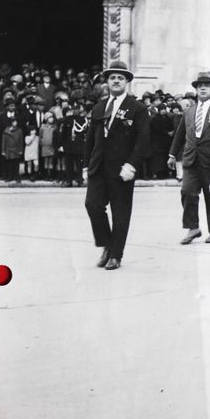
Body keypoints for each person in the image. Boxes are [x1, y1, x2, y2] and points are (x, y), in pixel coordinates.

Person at [84, 60, 151, 271]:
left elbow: (143, 140)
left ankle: (115, 254)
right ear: (107, 81)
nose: (116, 81)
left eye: (120, 78)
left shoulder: (137, 108)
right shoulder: (99, 107)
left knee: (120, 213)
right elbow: (90, 139)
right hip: (98, 167)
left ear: (126, 82)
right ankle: (106, 243)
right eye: (112, 77)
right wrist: (86, 166)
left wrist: (132, 165)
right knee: (92, 205)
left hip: (122, 169)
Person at [168, 71, 210, 244]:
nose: (203, 88)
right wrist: (172, 154)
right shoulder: (189, 111)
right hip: (191, 159)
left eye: (207, 86)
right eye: (200, 86)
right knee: (187, 192)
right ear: (196, 89)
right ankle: (193, 227)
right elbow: (180, 134)